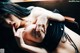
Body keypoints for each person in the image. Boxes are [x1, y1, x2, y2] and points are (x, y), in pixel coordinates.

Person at [0, 1, 80, 53]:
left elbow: (61, 18)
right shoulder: (20, 34)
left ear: (11, 8)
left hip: (77, 40)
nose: (8, 22)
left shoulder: (33, 11)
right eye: (2, 22)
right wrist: (22, 45)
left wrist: (45, 16)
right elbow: (45, 52)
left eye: (7, 15)